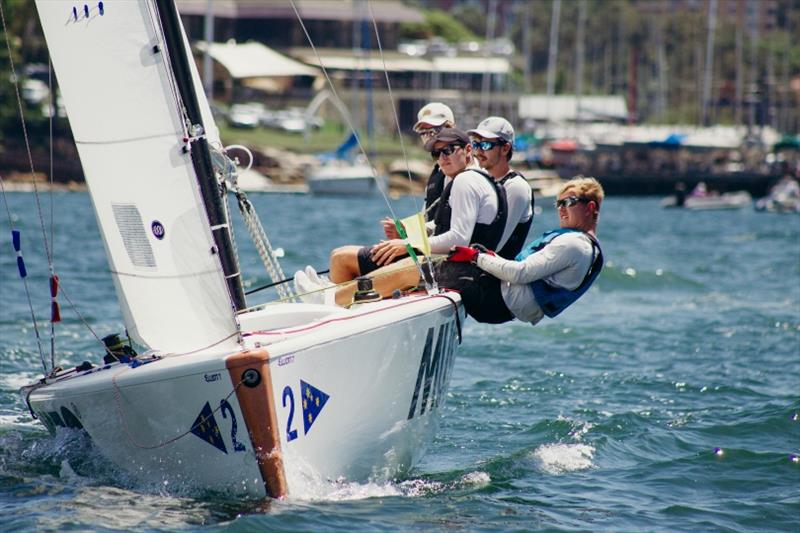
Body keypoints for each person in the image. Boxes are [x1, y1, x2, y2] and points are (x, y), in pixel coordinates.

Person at [328, 127, 508, 286]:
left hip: (449, 270)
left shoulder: (465, 181)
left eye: (448, 150)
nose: (442, 158)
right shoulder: (476, 178)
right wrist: (407, 233)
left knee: (341, 258)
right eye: (437, 154)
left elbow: (459, 238)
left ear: (468, 149)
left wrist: (408, 245)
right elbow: (446, 229)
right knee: (341, 254)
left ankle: (332, 310)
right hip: (456, 267)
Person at [445, 176, 605, 326]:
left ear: (590, 208)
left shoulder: (574, 245)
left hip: (496, 301)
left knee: (439, 269)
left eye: (569, 202)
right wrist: (489, 256)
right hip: (502, 303)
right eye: (559, 204)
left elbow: (519, 273)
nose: (561, 209)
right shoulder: (587, 247)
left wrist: (475, 256)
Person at [467, 116, 534, 259]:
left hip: (494, 278)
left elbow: (495, 244)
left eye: (485, 145)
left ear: (505, 148)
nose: (478, 152)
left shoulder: (516, 187)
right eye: (475, 145)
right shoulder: (482, 181)